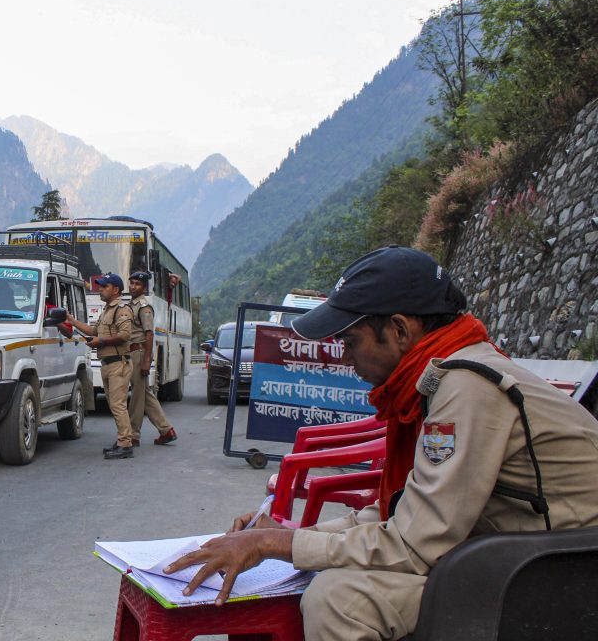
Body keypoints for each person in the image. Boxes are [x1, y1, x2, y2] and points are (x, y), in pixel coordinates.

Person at [165, 246, 598, 640]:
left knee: (340, 600)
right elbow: (402, 511)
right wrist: (289, 535)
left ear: (399, 331)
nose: (346, 358)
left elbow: (410, 543)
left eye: (350, 342)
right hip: (509, 551)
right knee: (331, 579)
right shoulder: (436, 381)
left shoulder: (465, 388)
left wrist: (275, 545)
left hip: (561, 568)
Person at [64, 272, 135, 459]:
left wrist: (100, 341)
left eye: (104, 287)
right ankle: (122, 440)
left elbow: (125, 335)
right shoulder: (107, 310)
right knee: (115, 405)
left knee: (118, 405)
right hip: (108, 364)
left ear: (116, 289)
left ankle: (125, 444)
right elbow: (93, 331)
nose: (100, 290)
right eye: (100, 286)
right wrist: (72, 321)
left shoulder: (122, 309)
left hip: (118, 364)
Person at [126, 271, 177, 446]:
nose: (133, 287)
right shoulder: (132, 304)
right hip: (132, 352)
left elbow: (149, 334)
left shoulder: (143, 307)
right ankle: (166, 430)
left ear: (144, 287)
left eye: (137, 284)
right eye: (131, 283)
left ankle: (133, 435)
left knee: (137, 397)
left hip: (139, 353)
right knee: (145, 394)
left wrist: (147, 359)